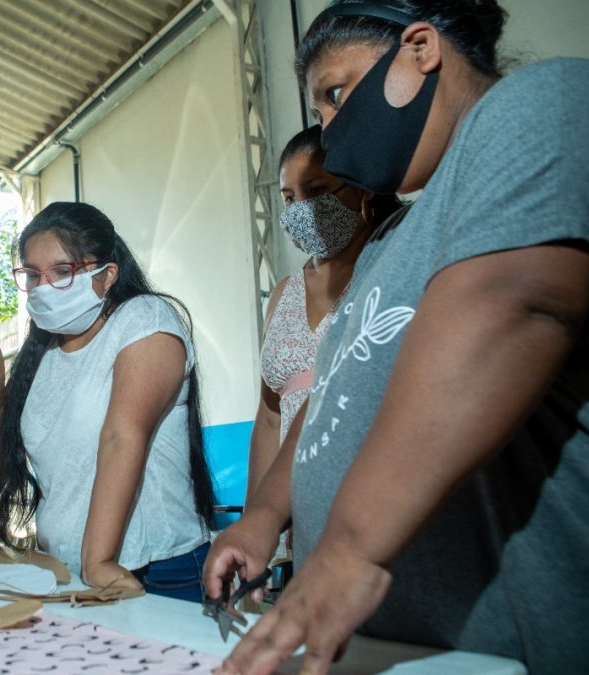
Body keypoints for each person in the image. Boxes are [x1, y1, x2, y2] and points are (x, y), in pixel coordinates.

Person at [205, 1, 588, 673]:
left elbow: (511, 302)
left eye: (335, 93)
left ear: (420, 50)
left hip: (511, 647)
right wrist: (264, 511)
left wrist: (350, 546)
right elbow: (333, 394)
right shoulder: (388, 241)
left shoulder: (539, 101)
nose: (330, 129)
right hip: (397, 646)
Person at [0, 202, 216, 602]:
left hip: (156, 571)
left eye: (63, 272)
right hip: (67, 571)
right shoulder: (39, 353)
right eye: (33, 275)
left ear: (107, 275)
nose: (44, 287)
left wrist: (99, 560)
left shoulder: (146, 320)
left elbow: (122, 435)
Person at [249, 125, 402, 504]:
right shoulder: (283, 295)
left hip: (377, 496)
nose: (301, 208)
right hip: (298, 508)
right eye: (288, 198)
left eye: (315, 191)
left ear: (361, 188)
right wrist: (256, 520)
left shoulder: (393, 266)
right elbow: (270, 419)